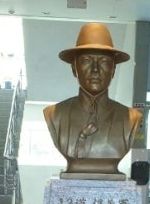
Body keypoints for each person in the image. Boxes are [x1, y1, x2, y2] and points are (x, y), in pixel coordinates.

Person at [43, 22, 142, 178]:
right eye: (87, 61)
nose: (95, 70)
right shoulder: (54, 114)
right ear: (74, 68)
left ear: (113, 70)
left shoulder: (131, 118)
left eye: (103, 62)